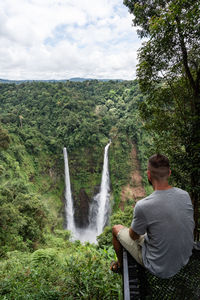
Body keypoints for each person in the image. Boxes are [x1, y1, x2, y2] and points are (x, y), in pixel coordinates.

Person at [111, 154, 194, 278]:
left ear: (148, 175)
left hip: (158, 267)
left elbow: (133, 236)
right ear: (169, 173)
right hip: (183, 259)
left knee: (115, 229)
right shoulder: (185, 195)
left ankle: (120, 265)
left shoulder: (143, 205)